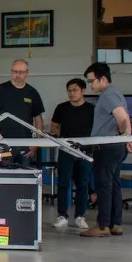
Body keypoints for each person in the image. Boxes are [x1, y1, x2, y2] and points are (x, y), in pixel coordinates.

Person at [81, 62, 132, 238]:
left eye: (92, 81)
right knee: (114, 185)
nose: (90, 85)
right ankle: (115, 224)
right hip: (116, 146)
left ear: (103, 79)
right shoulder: (116, 93)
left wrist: (125, 134)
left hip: (106, 147)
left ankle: (103, 225)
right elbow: (126, 117)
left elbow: (122, 117)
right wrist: (127, 137)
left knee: (104, 185)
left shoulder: (107, 95)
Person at [51, 79, 95, 229]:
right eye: (69, 90)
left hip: (84, 152)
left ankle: (80, 216)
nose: (71, 93)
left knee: (83, 184)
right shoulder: (61, 108)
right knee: (63, 183)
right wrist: (61, 139)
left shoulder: (91, 109)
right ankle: (62, 215)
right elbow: (54, 125)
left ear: (83, 91)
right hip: (66, 151)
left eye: (75, 90)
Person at [0, 59, 45, 164]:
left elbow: (38, 119)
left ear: (27, 73)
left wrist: (36, 142)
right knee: (1, 177)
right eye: (14, 71)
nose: (17, 74)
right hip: (2, 143)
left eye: (21, 72)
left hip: (25, 144)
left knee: (25, 177)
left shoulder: (32, 92)